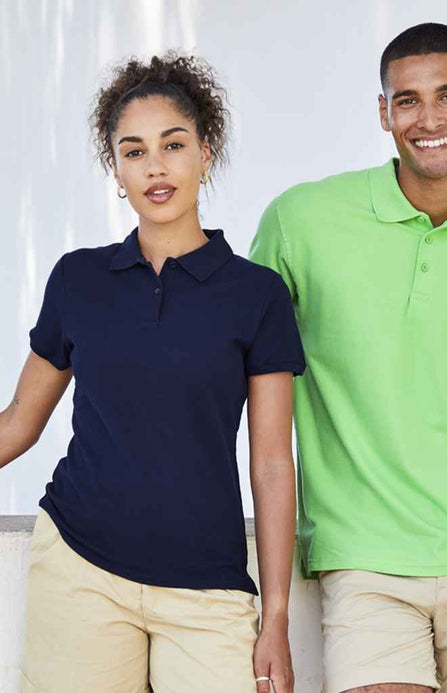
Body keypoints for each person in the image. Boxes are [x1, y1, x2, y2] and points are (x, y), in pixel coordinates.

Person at [249, 22, 447, 693]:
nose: (429, 120)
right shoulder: (301, 223)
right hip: (365, 560)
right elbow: (238, 373)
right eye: (407, 100)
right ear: (383, 112)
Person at [1, 52, 304, 693]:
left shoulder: (257, 295)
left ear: (205, 153)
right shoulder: (79, 279)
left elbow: (274, 464)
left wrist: (276, 616)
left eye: (173, 145)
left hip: (207, 585)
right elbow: (20, 422)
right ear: (116, 170)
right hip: (81, 569)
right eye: (134, 151)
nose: (155, 167)